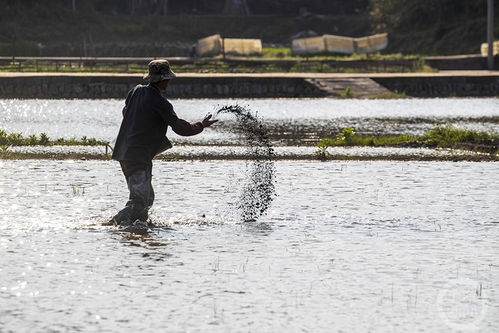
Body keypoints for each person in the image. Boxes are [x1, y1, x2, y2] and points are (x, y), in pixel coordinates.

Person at [106, 59, 218, 229]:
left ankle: (137, 228)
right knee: (138, 202)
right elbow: (180, 128)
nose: (169, 82)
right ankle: (110, 225)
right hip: (137, 155)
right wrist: (201, 125)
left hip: (125, 152)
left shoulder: (135, 91)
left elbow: (125, 111)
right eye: (168, 79)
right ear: (163, 80)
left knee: (147, 198)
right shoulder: (160, 102)